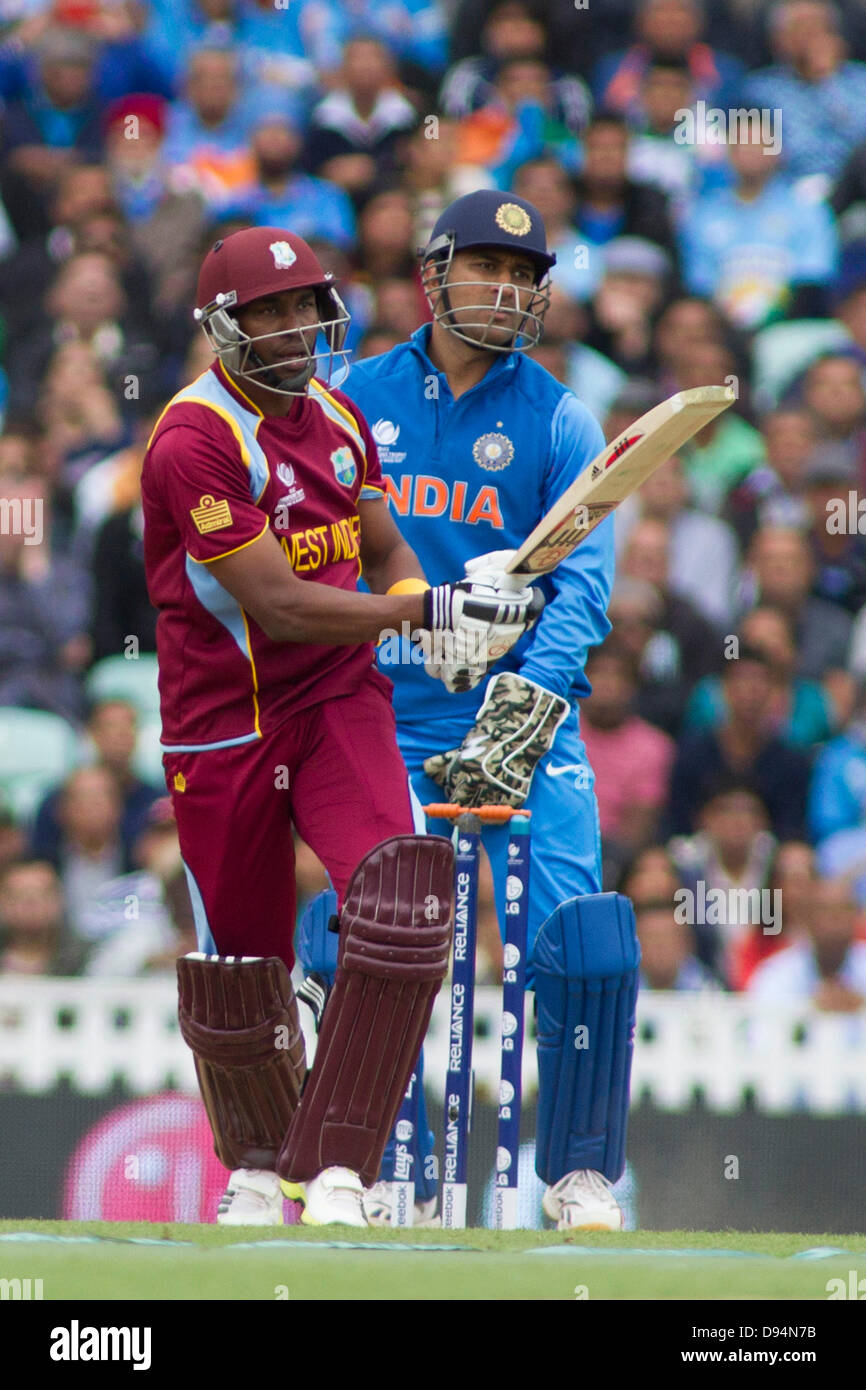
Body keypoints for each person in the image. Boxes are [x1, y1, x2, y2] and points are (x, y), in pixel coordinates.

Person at [140, 223, 539, 1227]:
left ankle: (336, 1172)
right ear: (223, 327)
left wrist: (424, 603)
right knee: (244, 971)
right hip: (220, 723)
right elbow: (277, 605)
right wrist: (425, 610)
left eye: (301, 307)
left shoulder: (336, 417)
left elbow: (378, 539)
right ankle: (252, 1164)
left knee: (403, 907)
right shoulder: (194, 439)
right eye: (263, 313)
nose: (288, 328)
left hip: (334, 701)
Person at [346, 188, 640, 1231]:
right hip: (385, 716)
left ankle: (578, 1172)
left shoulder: (561, 417)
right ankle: (373, 1164)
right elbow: (310, 554)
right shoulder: (348, 398)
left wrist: (515, 708)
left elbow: (585, 590)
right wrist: (411, 618)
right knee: (372, 941)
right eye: (488, 269)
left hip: (520, 722)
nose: (509, 290)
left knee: (582, 940)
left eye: (525, 276)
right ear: (433, 277)